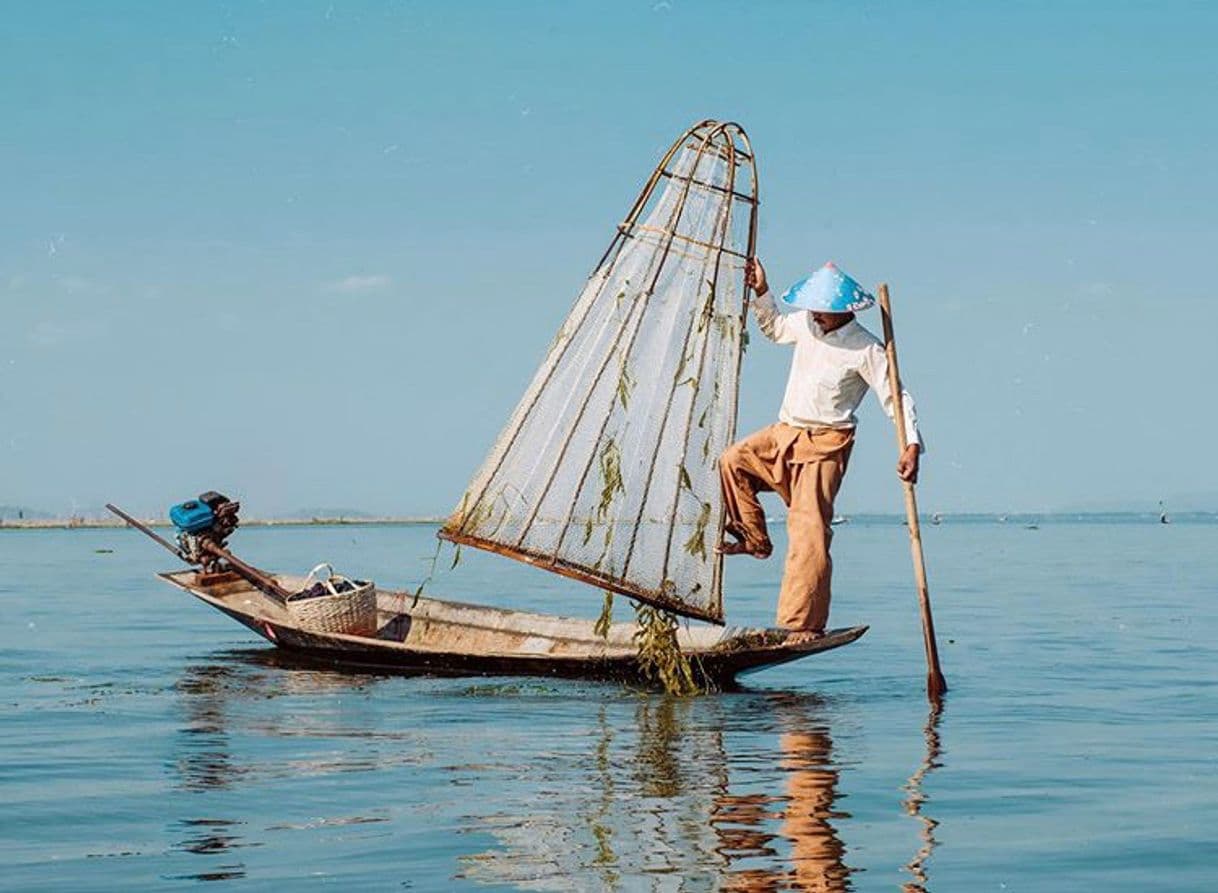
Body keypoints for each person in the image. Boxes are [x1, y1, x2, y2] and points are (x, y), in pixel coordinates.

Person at [718, 258, 924, 642]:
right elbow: (775, 328)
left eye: (822, 310)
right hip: (785, 432)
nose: (814, 315)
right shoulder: (807, 324)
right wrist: (762, 291)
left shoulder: (866, 348)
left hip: (826, 444)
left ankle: (803, 625)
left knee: (808, 528)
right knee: (733, 461)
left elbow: (895, 397)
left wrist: (911, 444)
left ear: (842, 310)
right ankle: (754, 539)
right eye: (812, 308)